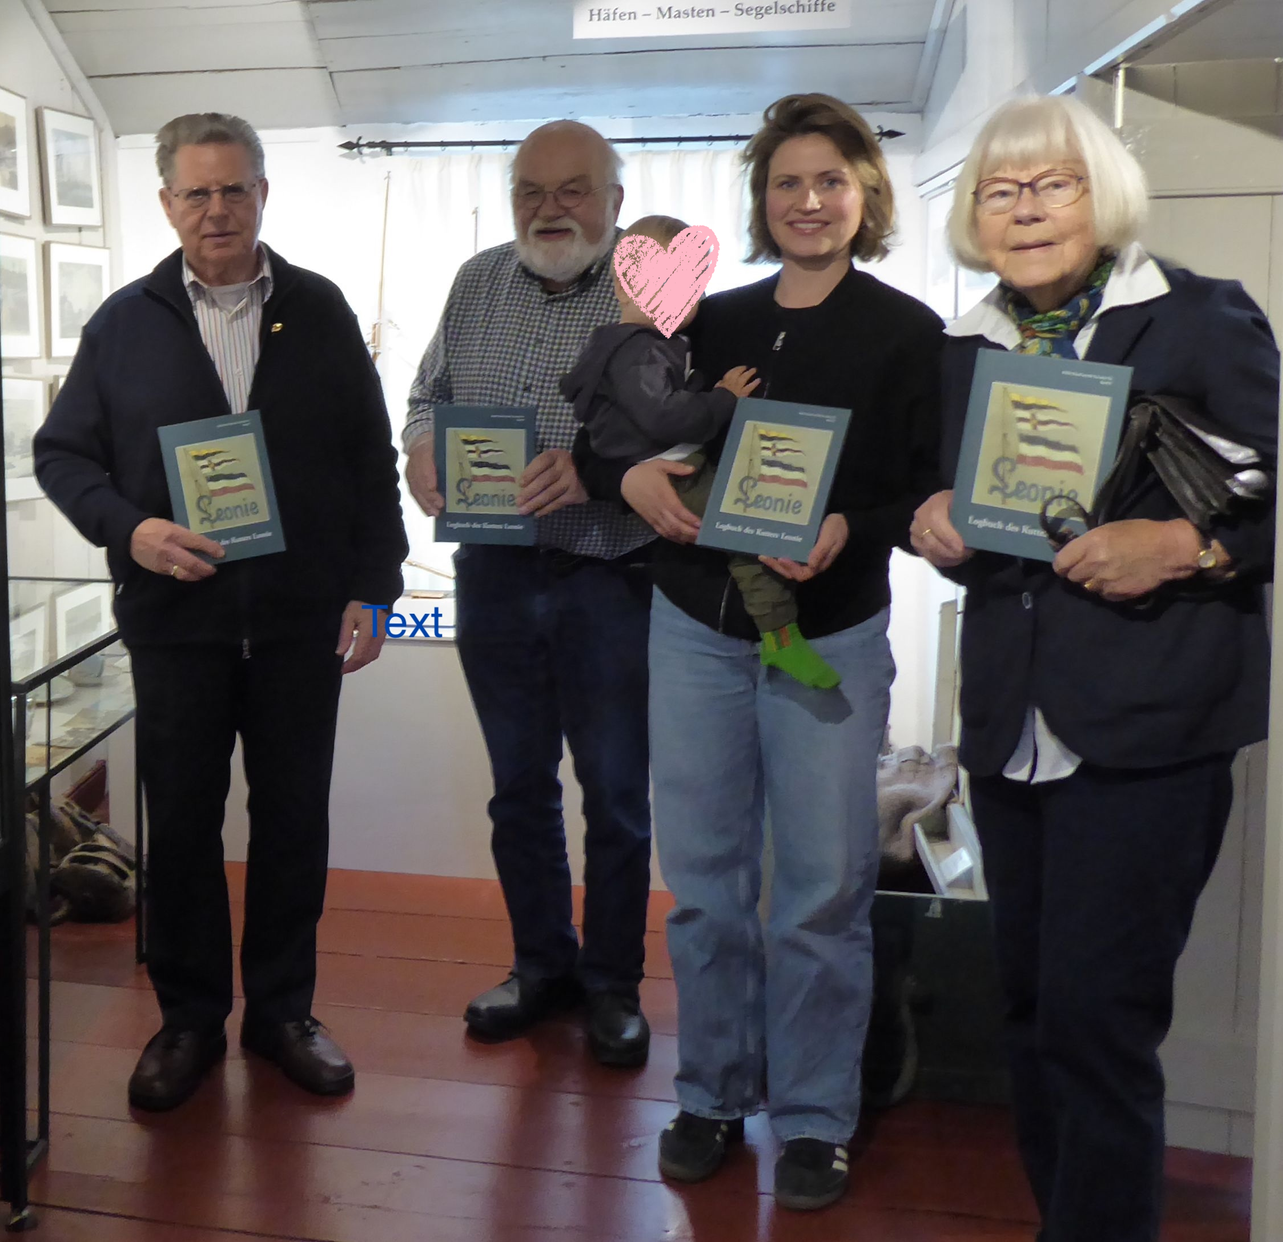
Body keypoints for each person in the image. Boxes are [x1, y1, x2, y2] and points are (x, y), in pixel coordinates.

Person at [910, 94, 1278, 1242]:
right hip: (1012, 727)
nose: (1025, 211)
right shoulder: (962, 347)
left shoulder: (1201, 319)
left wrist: (1187, 546)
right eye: (1000, 191)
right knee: (1028, 1014)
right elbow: (944, 501)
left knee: (1098, 1022)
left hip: (1148, 726)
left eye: (1053, 184)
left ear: (1103, 193)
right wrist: (927, 518)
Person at [583, 94, 944, 1207]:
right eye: (787, 182)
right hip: (695, 624)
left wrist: (850, 526)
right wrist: (628, 481)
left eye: (830, 179)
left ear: (865, 194)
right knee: (703, 886)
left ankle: (817, 1117)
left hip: (830, 632)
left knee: (823, 890)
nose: (808, 201)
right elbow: (611, 436)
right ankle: (712, 1091)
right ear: (761, 199)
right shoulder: (710, 320)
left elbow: (920, 492)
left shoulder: (907, 332)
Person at [34, 112, 408, 1113]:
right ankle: (189, 1019)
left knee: (292, 821)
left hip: (298, 625)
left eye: (234, 188)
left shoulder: (320, 311)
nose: (217, 209)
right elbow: (60, 455)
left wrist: (376, 586)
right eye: (196, 192)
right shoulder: (123, 324)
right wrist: (131, 530)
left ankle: (283, 1014)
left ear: (263, 195)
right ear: (167, 203)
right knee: (184, 826)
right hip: (177, 626)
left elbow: (369, 459)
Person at [403, 120, 655, 1069]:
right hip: (495, 573)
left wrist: (594, 472)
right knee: (518, 789)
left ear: (614, 201)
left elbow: (689, 434)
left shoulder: (650, 291)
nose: (550, 209)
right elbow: (426, 396)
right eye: (530, 191)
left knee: (617, 796)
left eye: (572, 189)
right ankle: (541, 965)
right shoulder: (476, 281)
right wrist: (419, 449)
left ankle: (613, 983)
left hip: (611, 574)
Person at [560, 211, 837, 689]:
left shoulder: (628, 345)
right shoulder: (637, 351)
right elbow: (666, 417)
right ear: (625, 285)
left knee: (749, 534)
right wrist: (723, 398)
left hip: (663, 464)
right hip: (671, 468)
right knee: (751, 531)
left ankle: (779, 635)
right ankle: (781, 635)